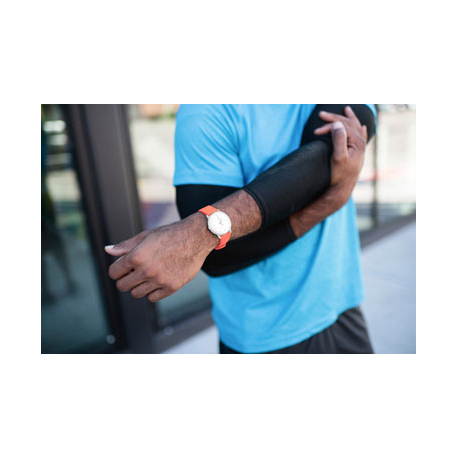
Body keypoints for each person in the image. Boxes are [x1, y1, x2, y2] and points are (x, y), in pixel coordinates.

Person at [105, 104, 376, 354]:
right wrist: (331, 200)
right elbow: (219, 257)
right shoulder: (205, 110)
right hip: (264, 333)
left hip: (341, 303)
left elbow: (328, 153)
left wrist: (196, 233)